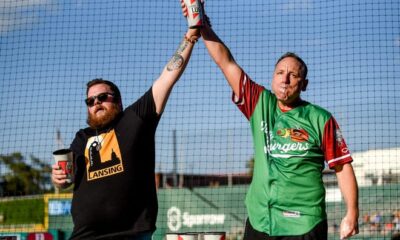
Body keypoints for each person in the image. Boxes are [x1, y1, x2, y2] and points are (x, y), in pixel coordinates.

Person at [180, 1, 359, 239]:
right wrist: (201, 25)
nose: (284, 79)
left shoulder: (320, 118)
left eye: (293, 75)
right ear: (272, 78)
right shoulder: (259, 102)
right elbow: (226, 62)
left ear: (303, 85)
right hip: (260, 220)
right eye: (279, 73)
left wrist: (352, 213)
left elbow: (342, 166)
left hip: (304, 223)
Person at [51, 28, 200, 240]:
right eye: (90, 101)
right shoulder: (81, 138)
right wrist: (57, 179)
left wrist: (190, 38)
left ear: (118, 102)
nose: (96, 103)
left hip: (131, 234)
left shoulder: (134, 119)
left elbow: (167, 77)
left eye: (103, 97)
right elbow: (65, 179)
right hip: (85, 236)